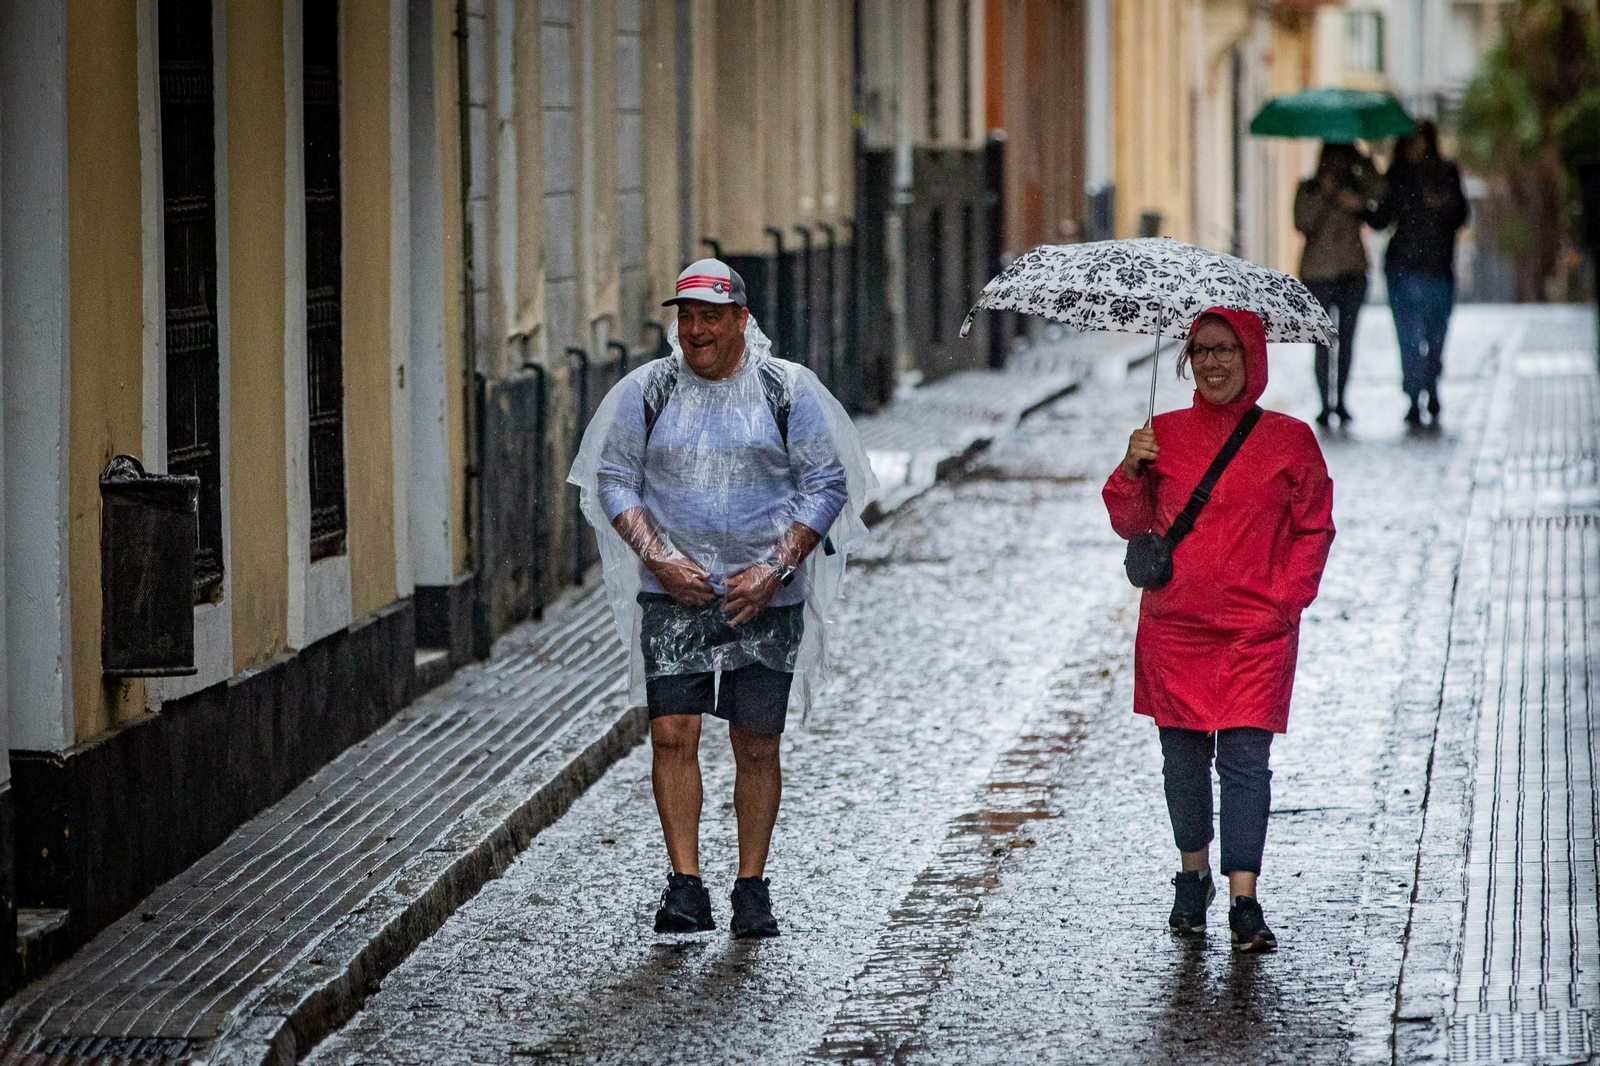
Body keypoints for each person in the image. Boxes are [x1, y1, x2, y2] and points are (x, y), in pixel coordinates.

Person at [569, 259, 872, 939]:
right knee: (671, 733)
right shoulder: (647, 390)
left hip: (764, 598)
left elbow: (827, 483)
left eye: (711, 316)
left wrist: (774, 567)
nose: (696, 330)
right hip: (672, 595)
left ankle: (750, 886)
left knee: (756, 743)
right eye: (686, 317)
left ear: (741, 318)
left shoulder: (784, 389)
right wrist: (660, 557)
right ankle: (685, 886)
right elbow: (613, 478)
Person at [1103, 308, 1336, 952]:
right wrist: (1130, 470)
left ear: (1251, 355)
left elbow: (1314, 526)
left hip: (1255, 634)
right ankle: (1192, 874)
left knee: (1245, 762)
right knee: (1182, 760)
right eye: (1200, 351)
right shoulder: (1163, 435)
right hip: (1175, 628)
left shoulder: (1290, 441)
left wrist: (1287, 600)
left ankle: (1243, 896)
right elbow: (1130, 523)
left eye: (1225, 350)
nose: (1211, 363)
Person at [1374, 120, 1469, 426]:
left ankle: (1431, 385)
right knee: (1409, 338)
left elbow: (1460, 215)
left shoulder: (1445, 172)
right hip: (1403, 268)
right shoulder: (1397, 175)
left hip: (1439, 269)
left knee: (1436, 335)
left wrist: (1442, 204)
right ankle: (1414, 395)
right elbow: (1381, 218)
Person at [1295, 143, 1385, 426]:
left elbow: (1382, 194)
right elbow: (1302, 222)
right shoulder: (1309, 187)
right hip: (1318, 275)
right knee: (1321, 341)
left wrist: (1365, 163)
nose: (1337, 164)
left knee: (1346, 340)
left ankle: (1342, 399)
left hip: (1352, 272)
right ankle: (1325, 403)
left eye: (1343, 158)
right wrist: (1325, 193)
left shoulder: (1357, 185)